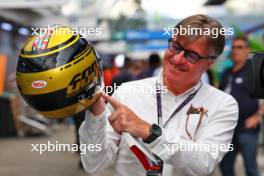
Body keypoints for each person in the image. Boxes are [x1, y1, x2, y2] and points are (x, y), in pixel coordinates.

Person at [79, 14, 238, 176]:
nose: (177, 59)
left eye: (191, 55)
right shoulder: (127, 92)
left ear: (209, 63)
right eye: (175, 47)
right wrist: (96, 116)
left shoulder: (223, 104)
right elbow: (94, 166)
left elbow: (204, 162)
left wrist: (149, 132)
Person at [219, 36, 264, 176]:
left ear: (247, 50)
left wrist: (258, 116)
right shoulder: (226, 73)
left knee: (251, 167)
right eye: (233, 47)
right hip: (227, 130)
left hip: (247, 128)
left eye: (239, 47)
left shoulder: (253, 71)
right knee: (225, 166)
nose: (235, 50)